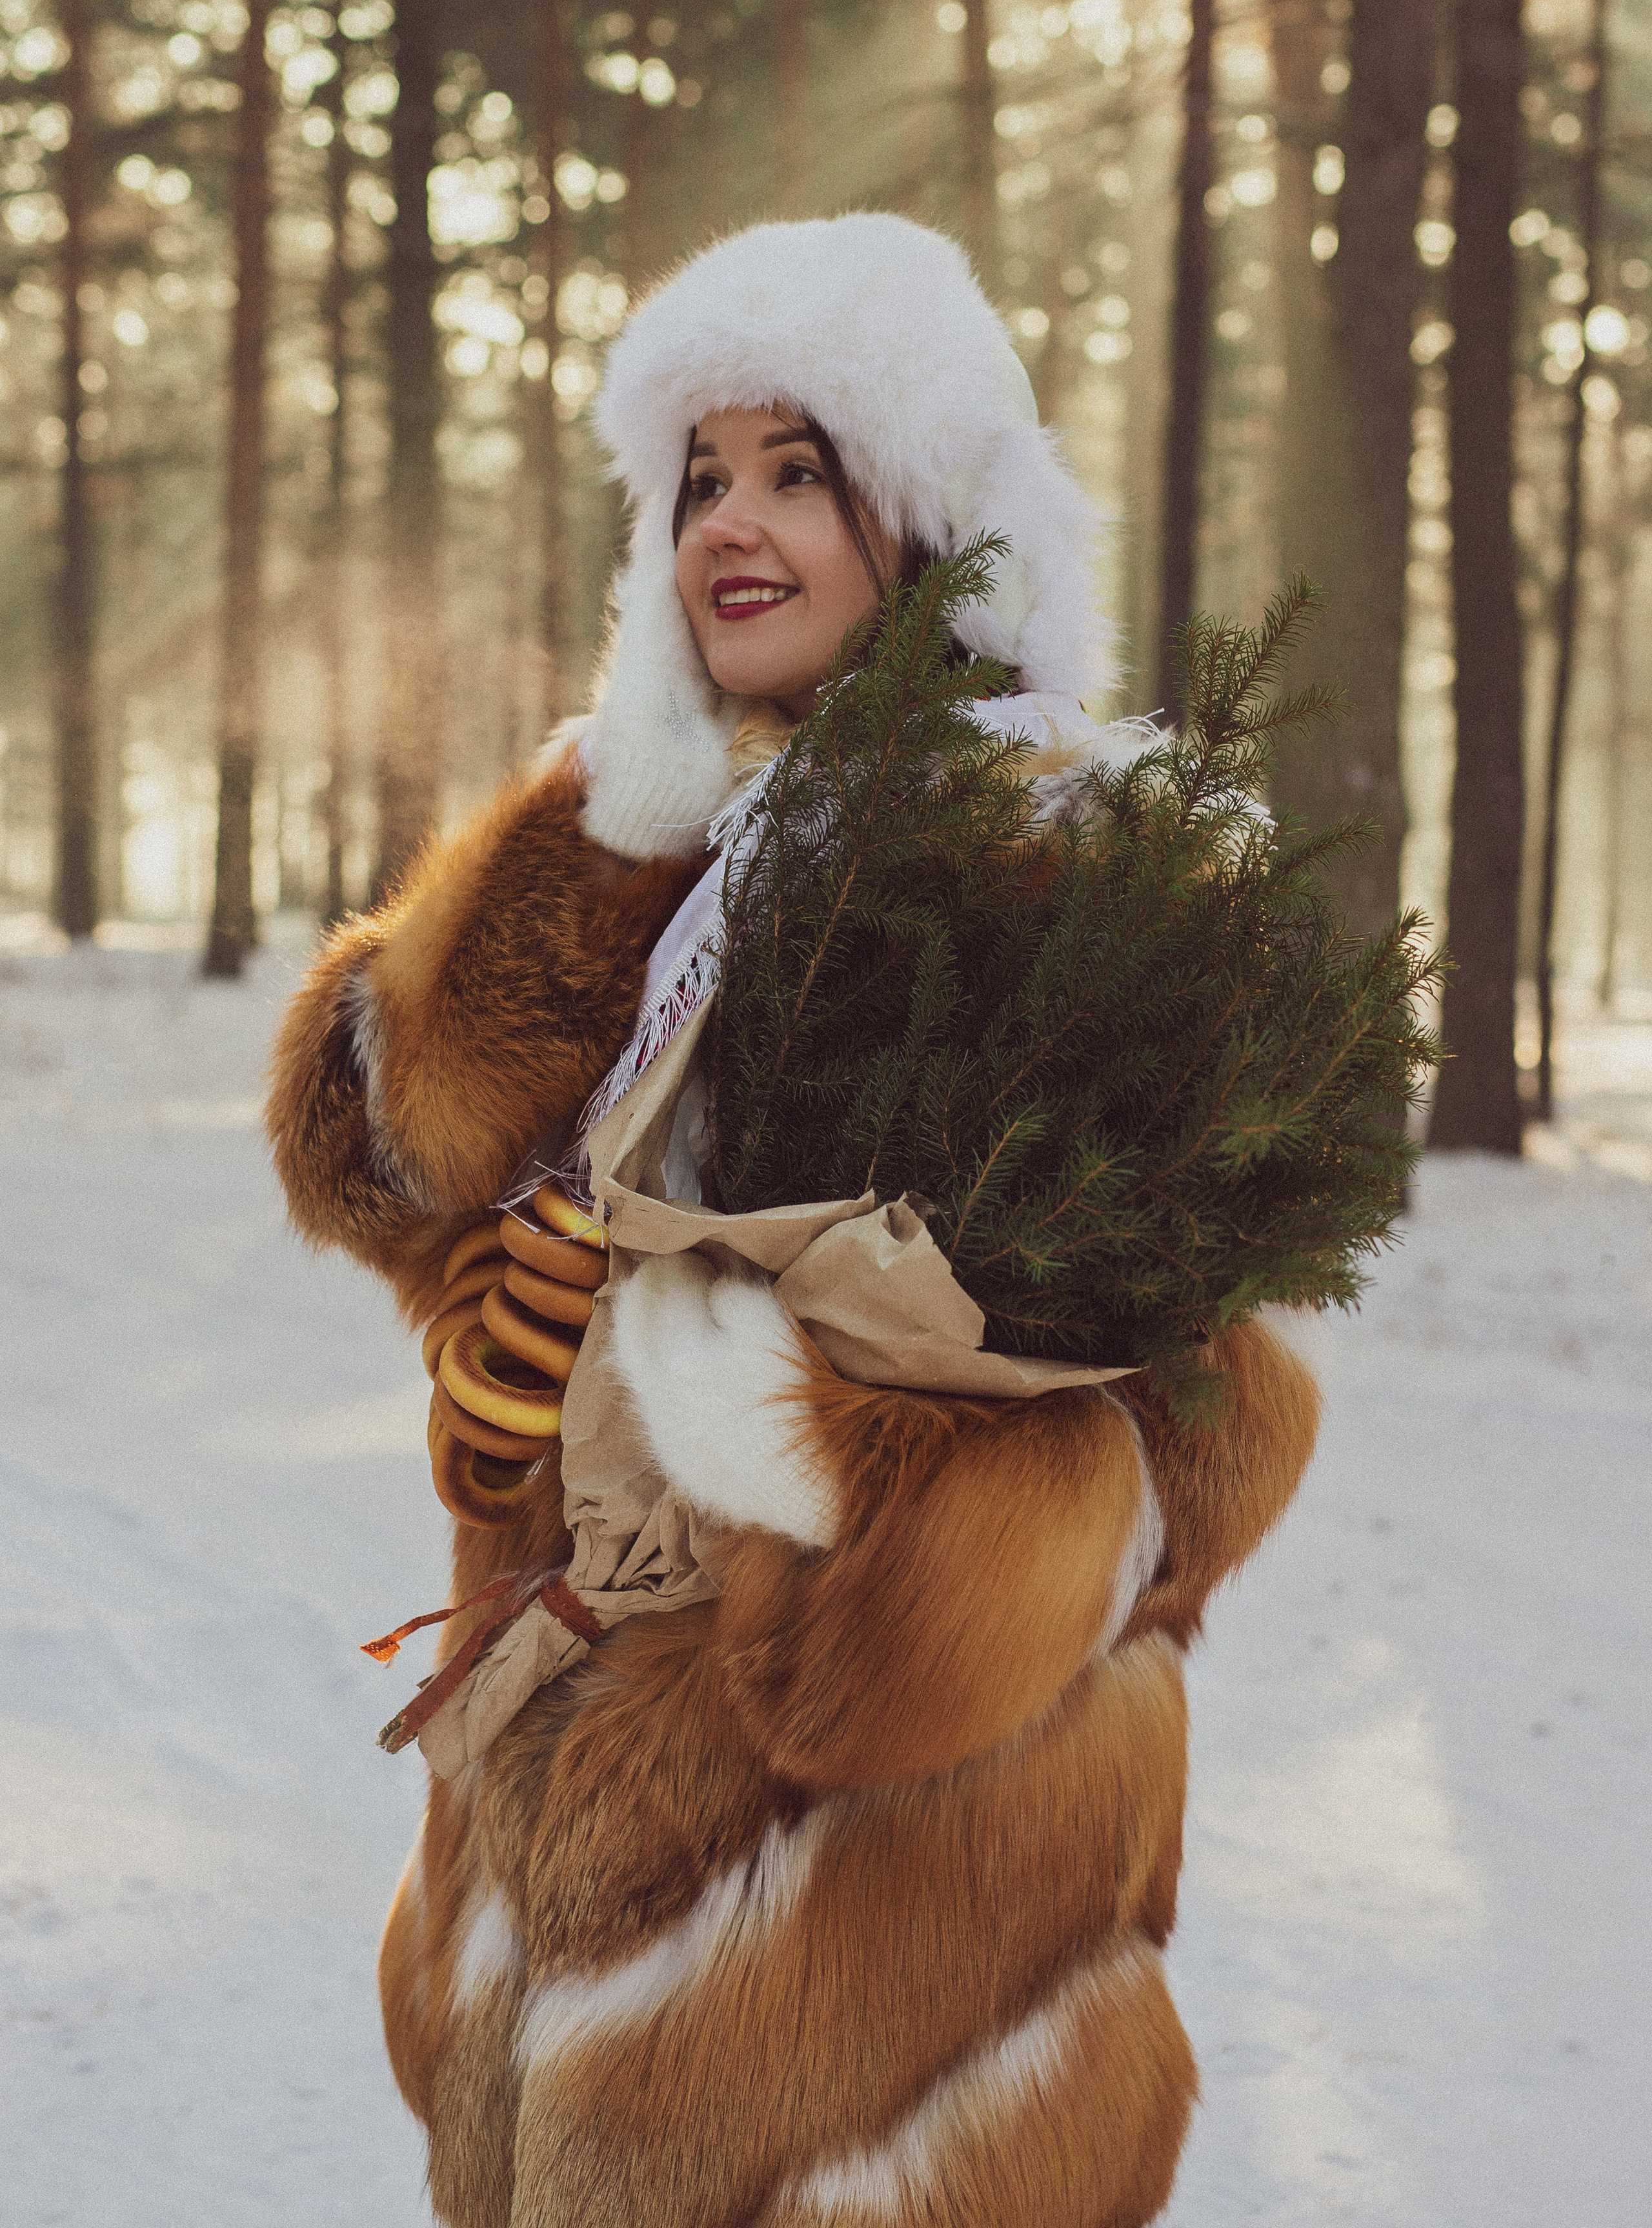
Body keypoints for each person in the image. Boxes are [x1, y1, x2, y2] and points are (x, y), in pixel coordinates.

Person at [267, 214, 1319, 2228]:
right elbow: (385, 1158)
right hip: (559, 1849)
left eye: (797, 471)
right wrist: (503, 1367)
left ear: (922, 521)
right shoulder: (625, 840)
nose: (729, 529)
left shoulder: (1073, 866)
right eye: (699, 479)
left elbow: (1211, 1421)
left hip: (903, 1960)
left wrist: (848, 1479)